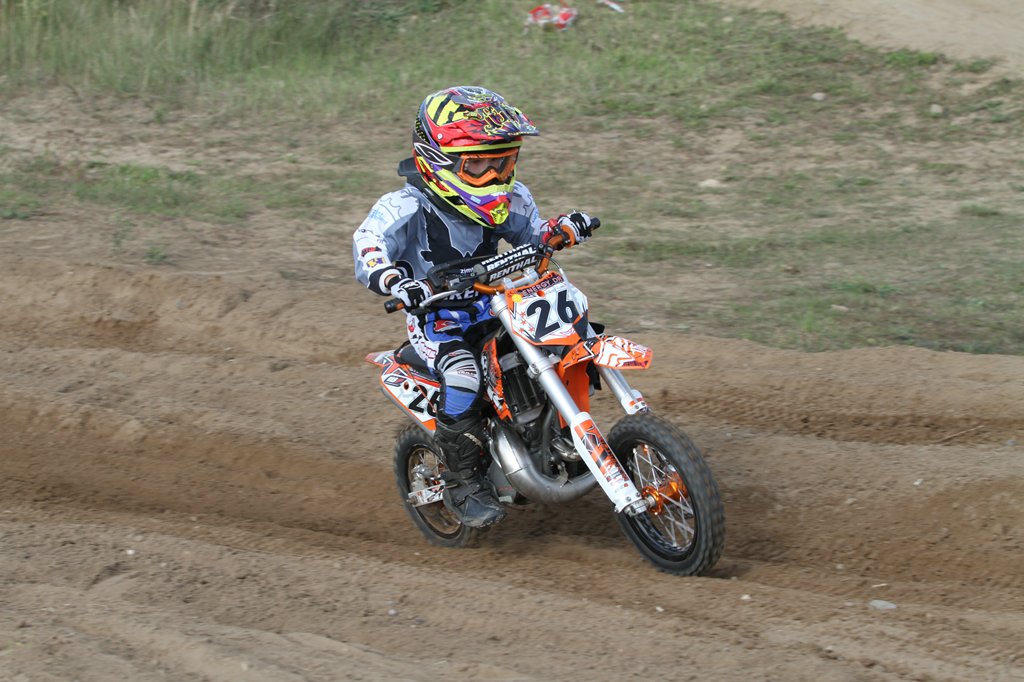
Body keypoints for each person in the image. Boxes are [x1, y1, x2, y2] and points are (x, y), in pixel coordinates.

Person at [353, 85, 596, 528]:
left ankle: (555, 434)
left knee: (565, 339)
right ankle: (463, 480)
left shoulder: (512, 197)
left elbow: (533, 234)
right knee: (464, 375)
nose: (495, 176)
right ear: (437, 160)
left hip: (496, 303)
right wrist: (395, 280)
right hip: (438, 320)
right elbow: (369, 244)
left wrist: (560, 229)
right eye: (479, 165)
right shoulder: (403, 207)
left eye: (503, 162)